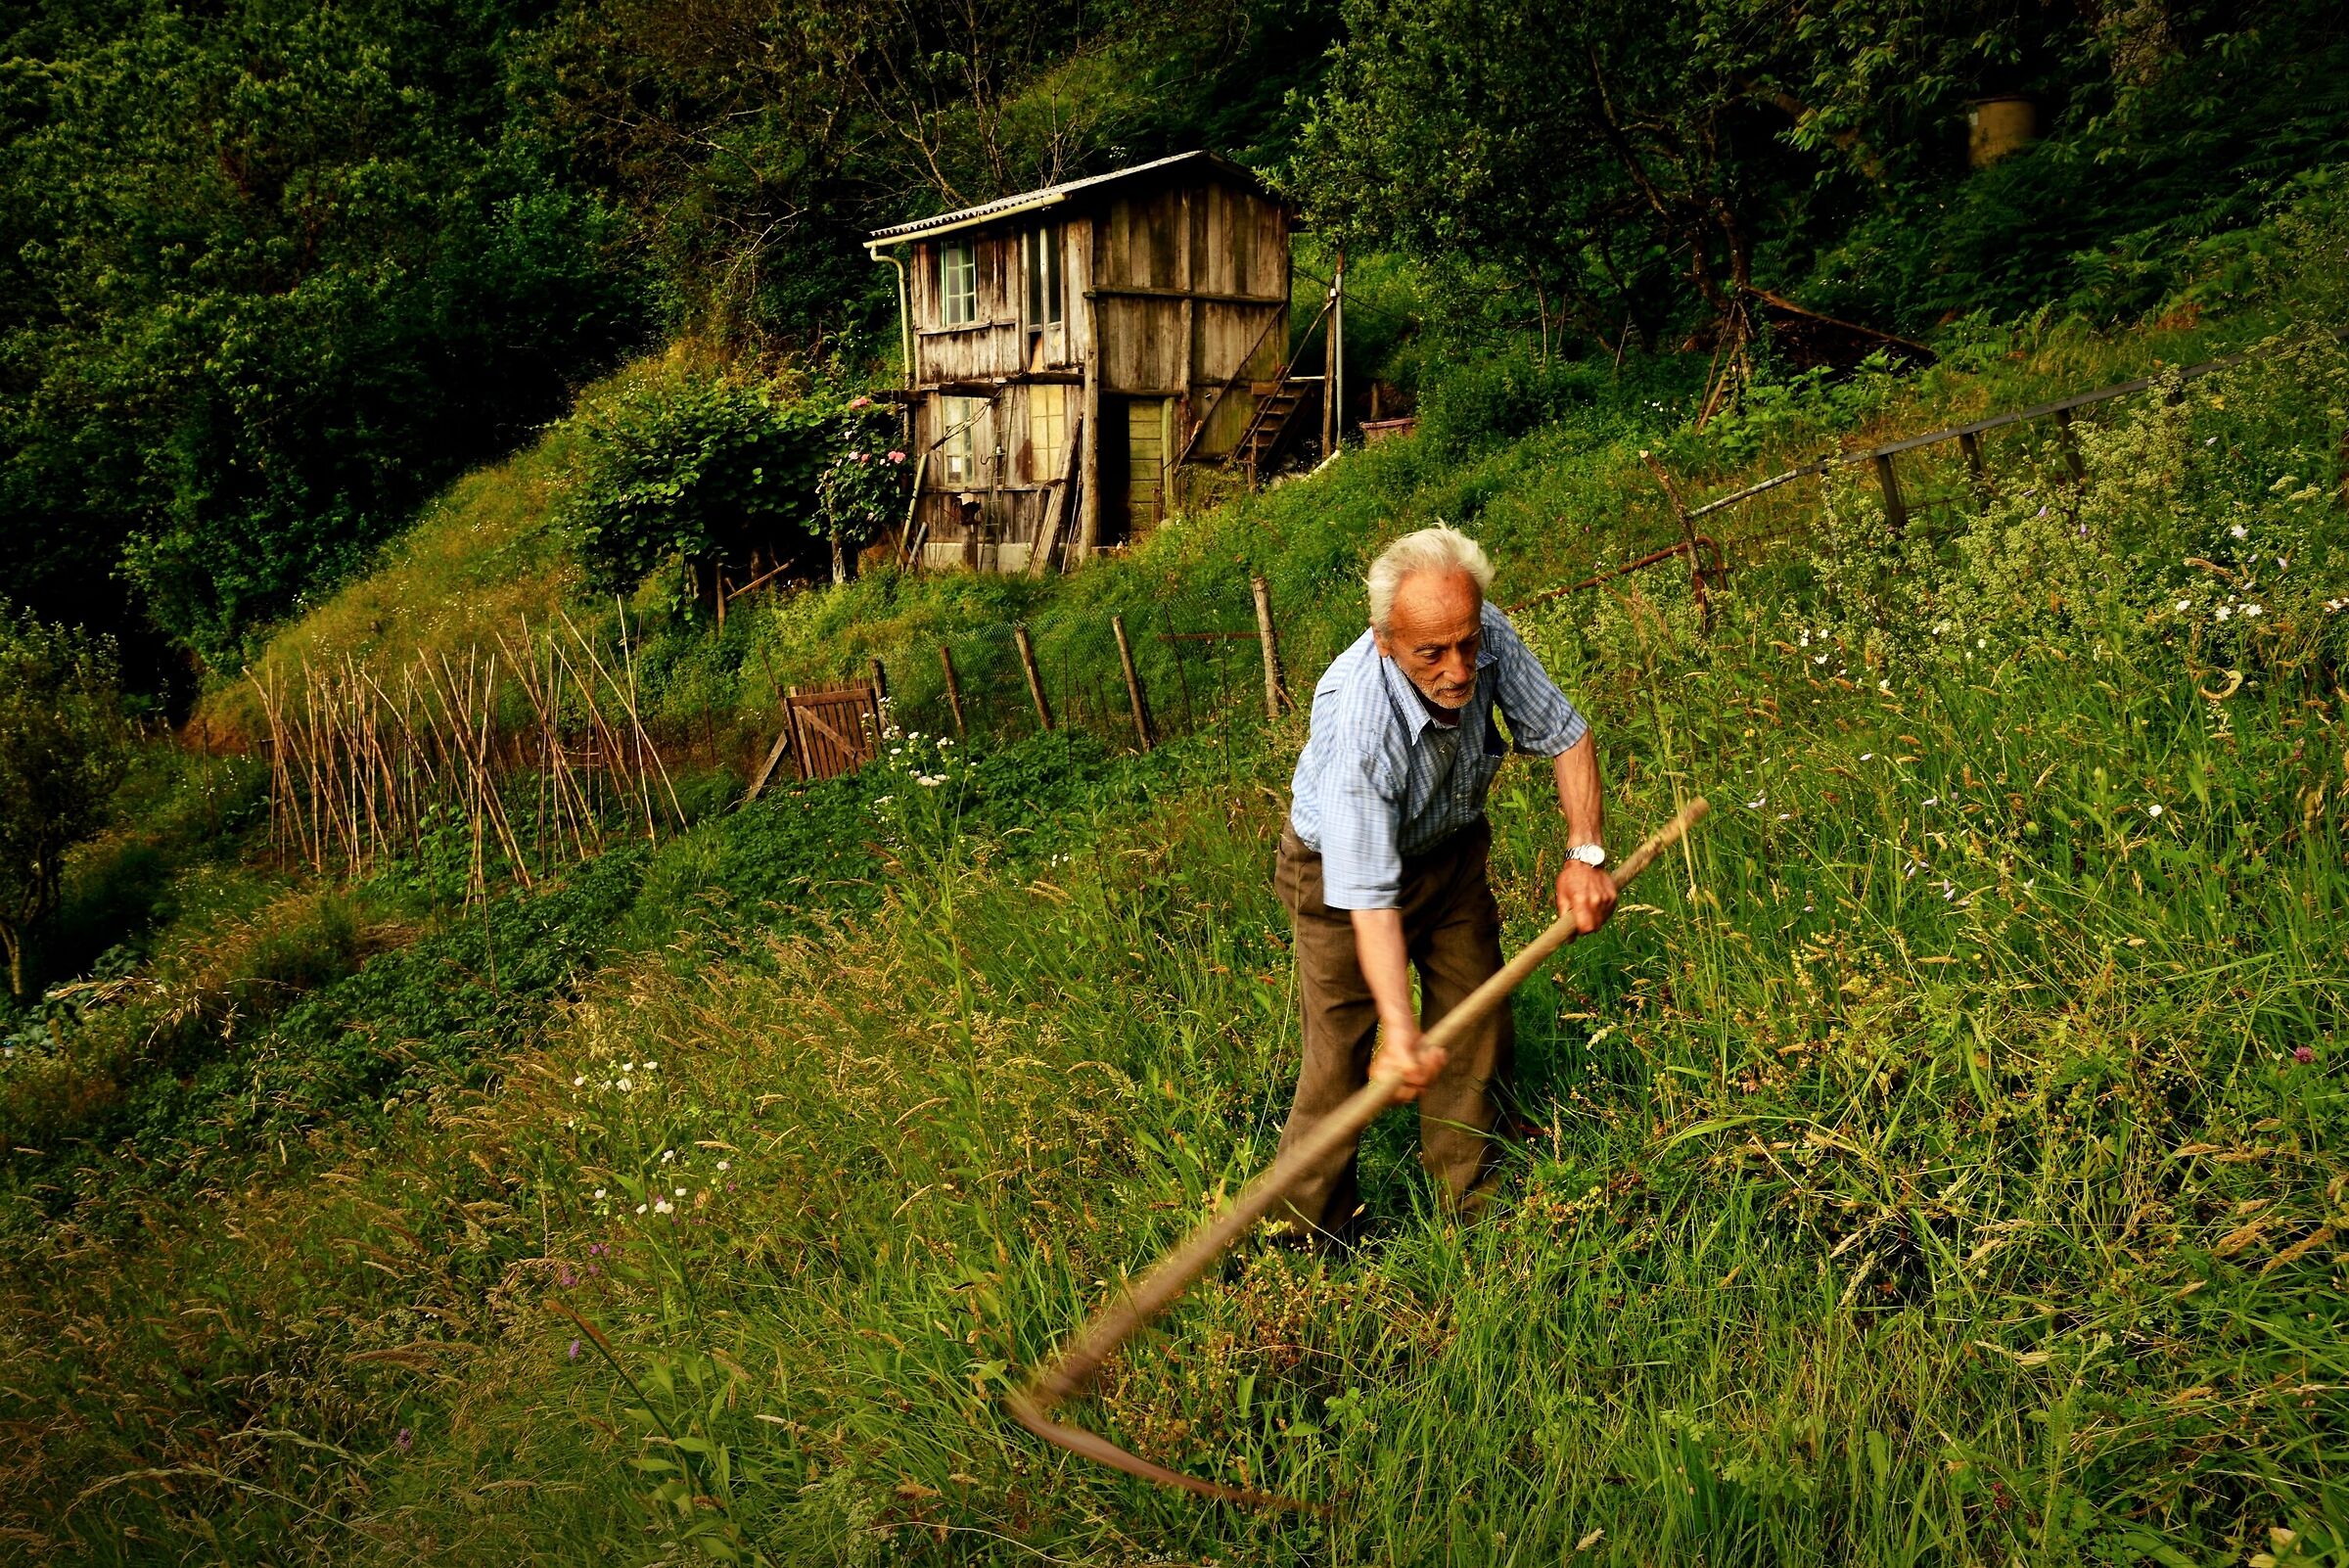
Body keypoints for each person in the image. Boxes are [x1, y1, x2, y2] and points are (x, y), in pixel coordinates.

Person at [1274, 525, 1615, 1244]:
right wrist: (1400, 1031)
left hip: (1450, 854)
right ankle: (1305, 1239)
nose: (1460, 667)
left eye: (1466, 642)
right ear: (1386, 640)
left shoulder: (1480, 626)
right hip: (1341, 882)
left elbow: (1565, 732)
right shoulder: (1359, 720)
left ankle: (1472, 1205)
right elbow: (1366, 894)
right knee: (1340, 1056)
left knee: (1475, 1014)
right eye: (1433, 652)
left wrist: (1585, 854)